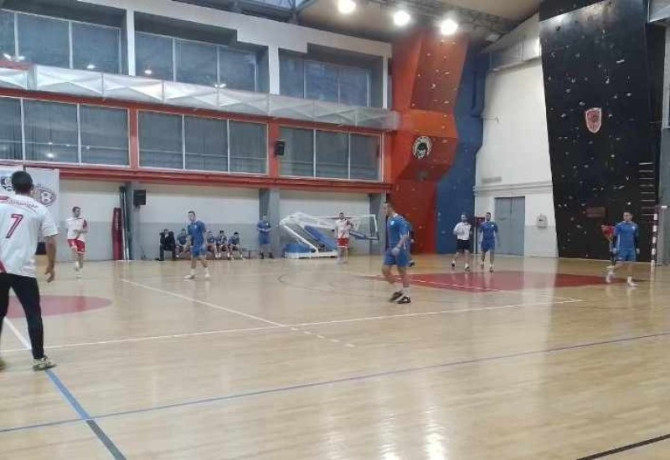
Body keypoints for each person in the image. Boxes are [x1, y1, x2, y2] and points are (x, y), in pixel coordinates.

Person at [0, 171, 57, 371]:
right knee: (33, 313)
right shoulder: (40, 209)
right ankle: (39, 358)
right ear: (32, 188)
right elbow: (51, 241)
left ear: (13, 187)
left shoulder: (2, 204)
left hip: (0, 267)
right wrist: (51, 265)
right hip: (23, 269)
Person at [382, 202, 411, 304]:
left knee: (402, 271)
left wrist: (398, 246)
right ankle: (398, 291)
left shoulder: (400, 220)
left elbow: (405, 235)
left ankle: (407, 296)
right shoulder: (389, 219)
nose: (383, 210)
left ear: (390, 208)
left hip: (400, 248)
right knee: (385, 270)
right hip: (390, 249)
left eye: (385, 208)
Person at [606, 211, 639, 287]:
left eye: (627, 215)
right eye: (624, 216)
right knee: (620, 264)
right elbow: (615, 236)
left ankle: (629, 281)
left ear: (631, 216)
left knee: (632, 264)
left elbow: (636, 237)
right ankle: (610, 272)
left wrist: (637, 247)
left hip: (631, 248)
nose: (625, 217)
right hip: (622, 247)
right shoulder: (619, 225)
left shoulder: (635, 225)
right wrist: (614, 247)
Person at [184, 211, 210, 280]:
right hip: (195, 245)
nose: (190, 217)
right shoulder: (189, 226)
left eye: (191, 215)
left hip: (201, 244)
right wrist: (186, 244)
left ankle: (207, 273)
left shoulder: (200, 223)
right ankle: (192, 275)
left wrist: (205, 243)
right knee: (193, 259)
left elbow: (205, 233)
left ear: (194, 216)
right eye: (189, 216)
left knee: (202, 257)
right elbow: (189, 236)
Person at [66, 206, 87, 279]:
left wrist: (79, 231)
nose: (79, 212)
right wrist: (69, 236)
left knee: (81, 256)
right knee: (74, 249)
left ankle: (79, 273)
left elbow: (86, 230)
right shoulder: (68, 220)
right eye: (77, 211)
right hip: (71, 238)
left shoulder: (83, 220)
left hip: (80, 239)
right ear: (73, 212)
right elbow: (67, 230)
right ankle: (75, 263)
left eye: (79, 211)